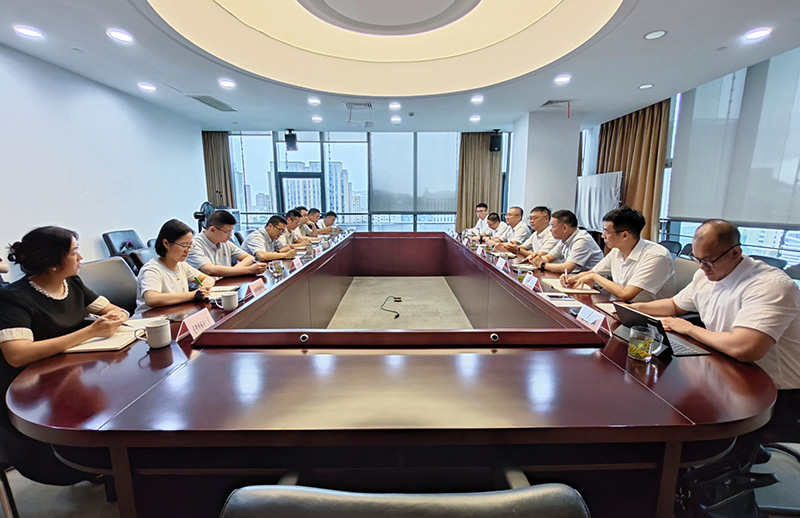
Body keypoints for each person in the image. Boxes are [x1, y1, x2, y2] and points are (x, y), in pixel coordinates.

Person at [630, 219, 800, 440]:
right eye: (697, 259)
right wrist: (632, 308)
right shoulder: (705, 275)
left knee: (692, 430)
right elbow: (674, 305)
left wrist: (690, 329)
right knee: (660, 400)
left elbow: (745, 349)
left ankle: (743, 456)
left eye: (708, 260)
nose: (702, 267)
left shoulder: (770, 286)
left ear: (735, 253)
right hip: (727, 370)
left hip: (774, 391)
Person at [0, 226, 129, 484]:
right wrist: (89, 332)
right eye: (74, 252)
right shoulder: (14, 298)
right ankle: (111, 470)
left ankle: (118, 469)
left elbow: (112, 309)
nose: (81, 257)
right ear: (52, 263)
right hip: (33, 393)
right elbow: (17, 354)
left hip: (69, 377)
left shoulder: (72, 284)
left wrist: (117, 315)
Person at [563, 206, 676, 302]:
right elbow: (592, 272)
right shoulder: (617, 250)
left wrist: (594, 277)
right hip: (620, 306)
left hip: (647, 315)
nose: (602, 236)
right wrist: (572, 278)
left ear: (624, 235)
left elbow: (626, 294)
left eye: (606, 231)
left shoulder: (656, 256)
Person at [136, 219, 215, 314]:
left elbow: (208, 278)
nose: (188, 250)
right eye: (184, 245)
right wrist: (193, 295)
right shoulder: (152, 269)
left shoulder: (181, 265)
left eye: (190, 245)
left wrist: (206, 285)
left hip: (175, 314)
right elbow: (151, 299)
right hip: (152, 318)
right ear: (166, 243)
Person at [187, 210, 266, 277]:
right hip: (204, 288)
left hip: (225, 284)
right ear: (212, 229)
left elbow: (249, 257)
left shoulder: (225, 242)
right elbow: (209, 270)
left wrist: (234, 271)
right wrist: (248, 270)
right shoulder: (194, 245)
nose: (230, 235)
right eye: (227, 232)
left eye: (231, 231)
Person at [530, 209, 603, 273]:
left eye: (553, 226)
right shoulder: (564, 239)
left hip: (592, 283)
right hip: (575, 278)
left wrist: (542, 265)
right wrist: (537, 258)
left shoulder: (582, 240)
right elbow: (548, 258)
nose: (550, 230)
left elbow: (567, 268)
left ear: (564, 228)